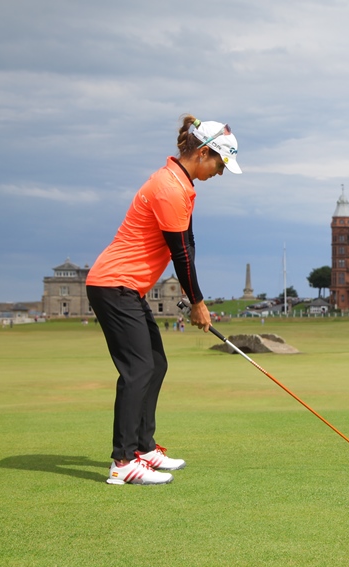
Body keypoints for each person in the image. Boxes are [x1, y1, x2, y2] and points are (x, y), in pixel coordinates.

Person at [86, 114, 241, 485]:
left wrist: (194, 299)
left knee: (155, 364)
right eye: (220, 164)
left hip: (128, 288)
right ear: (203, 153)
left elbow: (187, 244)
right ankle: (122, 463)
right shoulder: (169, 188)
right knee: (137, 370)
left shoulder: (181, 185)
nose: (221, 172)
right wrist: (199, 303)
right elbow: (180, 256)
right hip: (113, 285)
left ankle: (143, 447)